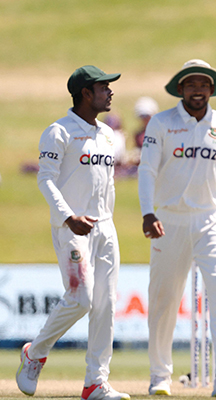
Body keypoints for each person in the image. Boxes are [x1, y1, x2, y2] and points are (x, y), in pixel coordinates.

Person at [137, 59, 216, 397]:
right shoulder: (161, 123)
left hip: (211, 220)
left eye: (204, 85)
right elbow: (146, 171)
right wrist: (148, 212)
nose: (198, 90)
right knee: (163, 301)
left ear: (212, 89)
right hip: (168, 221)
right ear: (180, 89)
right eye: (191, 85)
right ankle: (160, 378)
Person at [16, 65, 130, 400]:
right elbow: (45, 178)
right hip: (71, 228)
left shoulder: (108, 135)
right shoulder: (59, 132)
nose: (110, 93)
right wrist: (68, 217)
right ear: (85, 93)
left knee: (106, 305)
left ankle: (96, 382)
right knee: (81, 299)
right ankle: (34, 353)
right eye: (104, 88)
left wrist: (104, 222)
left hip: (105, 228)